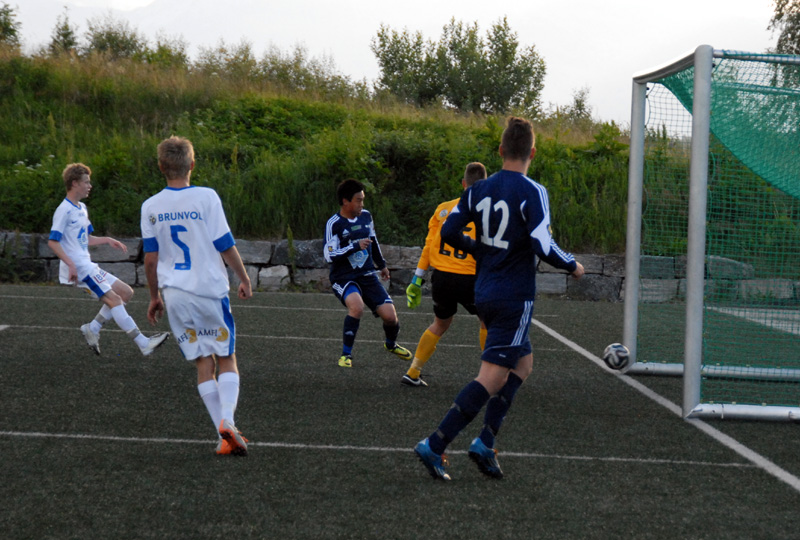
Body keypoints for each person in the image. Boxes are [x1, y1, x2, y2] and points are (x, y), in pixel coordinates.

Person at [414, 117, 585, 480]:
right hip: (514, 296)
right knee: (491, 378)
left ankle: (486, 443)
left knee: (522, 365)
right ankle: (435, 444)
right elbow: (542, 242)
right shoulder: (532, 190)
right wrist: (573, 265)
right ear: (532, 153)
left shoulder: (477, 190)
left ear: (500, 150)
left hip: (486, 290)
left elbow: (448, 230)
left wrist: (479, 250)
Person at [141, 136, 253, 457]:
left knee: (203, 364)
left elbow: (151, 259)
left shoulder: (150, 206)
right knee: (226, 358)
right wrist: (243, 277)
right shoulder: (206, 197)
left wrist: (154, 297)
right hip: (208, 291)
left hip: (175, 295)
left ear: (162, 167)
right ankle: (228, 422)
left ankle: (223, 436)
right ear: (192, 164)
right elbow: (224, 243)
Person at [48, 163, 170, 357]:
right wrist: (70, 264)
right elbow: (53, 242)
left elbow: (85, 239)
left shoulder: (82, 208)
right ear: (74, 183)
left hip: (87, 265)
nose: (90, 185)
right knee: (115, 300)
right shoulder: (63, 210)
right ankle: (143, 343)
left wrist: (107, 240)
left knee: (126, 292)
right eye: (86, 182)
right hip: (80, 268)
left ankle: (93, 328)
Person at [402, 162, 488, 387]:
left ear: (463, 183)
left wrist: (416, 280)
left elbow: (429, 247)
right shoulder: (488, 212)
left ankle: (413, 371)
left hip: (441, 278)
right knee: (488, 322)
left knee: (439, 324)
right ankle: (490, 376)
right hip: (471, 278)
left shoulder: (443, 209)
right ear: (485, 185)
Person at [324, 178, 413, 368]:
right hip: (344, 277)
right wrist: (354, 246)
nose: (361, 204)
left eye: (362, 200)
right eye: (358, 200)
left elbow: (374, 241)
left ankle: (391, 345)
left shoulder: (366, 216)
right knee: (356, 307)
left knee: (390, 316)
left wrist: (382, 265)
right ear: (345, 201)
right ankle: (346, 355)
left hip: (367, 275)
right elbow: (329, 255)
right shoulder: (335, 223)